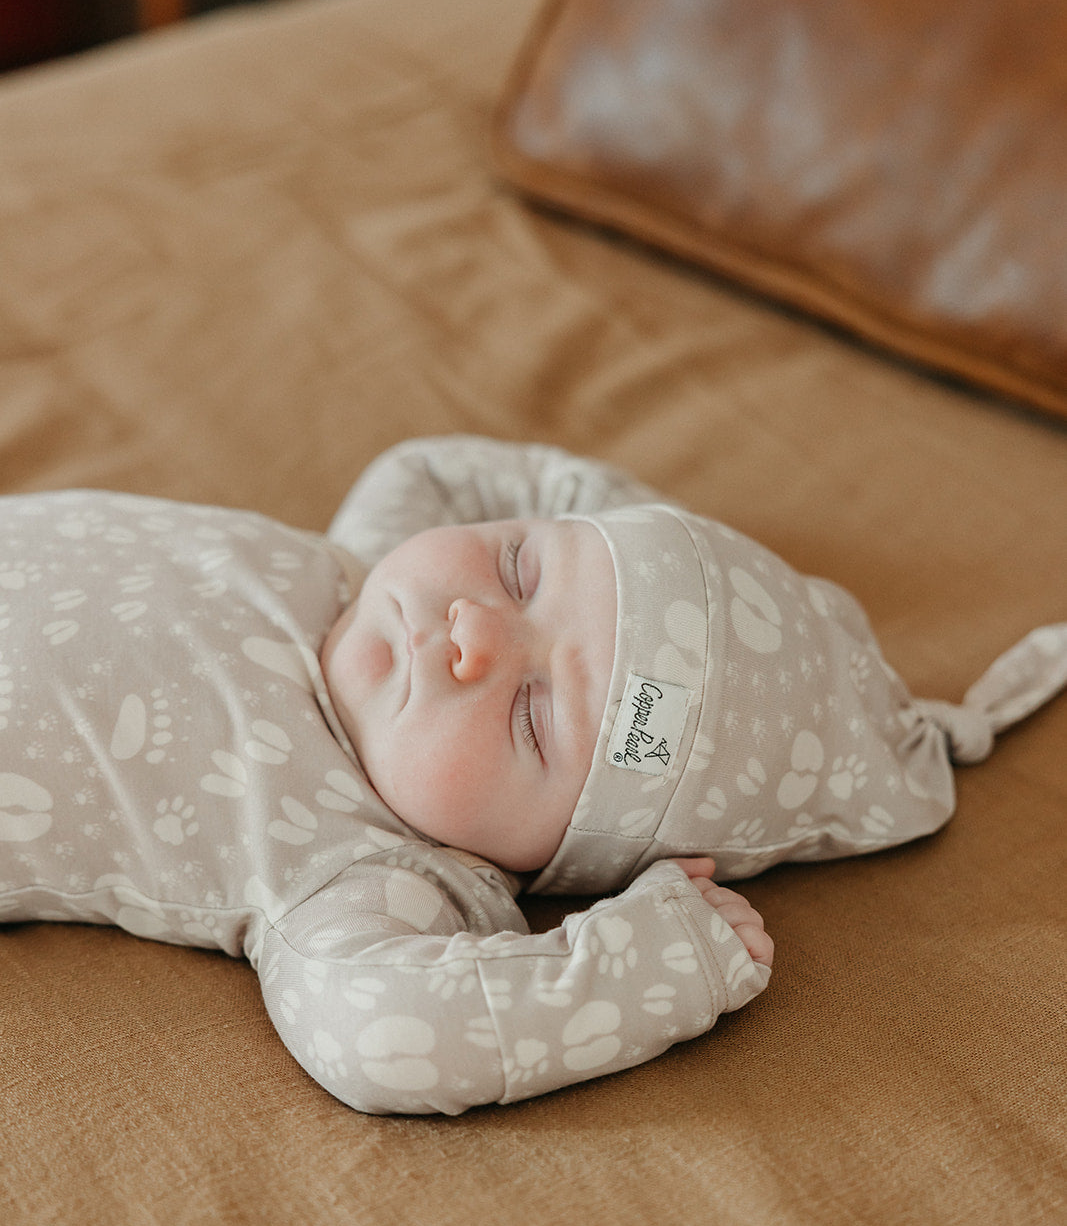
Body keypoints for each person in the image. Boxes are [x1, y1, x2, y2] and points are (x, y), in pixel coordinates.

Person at [1, 437, 1064, 1115]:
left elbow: (382, 1034)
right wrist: (600, 511)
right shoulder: (368, 560)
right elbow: (444, 470)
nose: (470, 631)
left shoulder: (372, 869)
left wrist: (644, 960)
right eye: (519, 566)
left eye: (533, 713)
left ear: (550, 857)